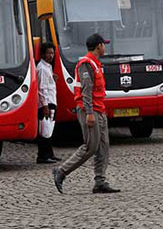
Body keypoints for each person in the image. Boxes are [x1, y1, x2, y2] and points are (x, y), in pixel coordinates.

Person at [52, 33, 120, 194]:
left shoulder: (95, 64)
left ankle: (100, 182)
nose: (105, 47)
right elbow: (86, 90)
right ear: (99, 46)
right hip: (90, 110)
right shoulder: (86, 64)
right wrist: (89, 113)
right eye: (104, 44)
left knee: (103, 146)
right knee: (91, 146)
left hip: (99, 109)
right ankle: (61, 171)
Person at [36, 42, 61, 164]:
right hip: (47, 103)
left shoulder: (48, 67)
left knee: (50, 128)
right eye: (48, 53)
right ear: (43, 54)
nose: (51, 55)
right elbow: (42, 88)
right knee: (45, 130)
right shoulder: (42, 68)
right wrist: (44, 105)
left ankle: (50, 153)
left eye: (52, 53)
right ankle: (43, 155)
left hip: (52, 100)